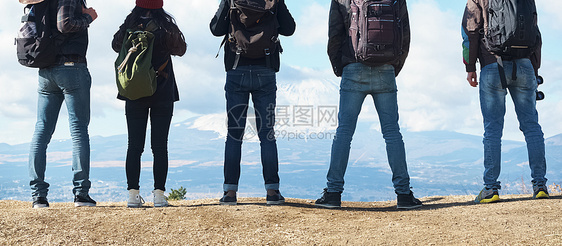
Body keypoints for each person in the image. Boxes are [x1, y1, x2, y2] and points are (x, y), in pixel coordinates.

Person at [315, 0, 422, 209]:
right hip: (386, 69)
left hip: (353, 66)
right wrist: (393, 67)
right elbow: (405, 35)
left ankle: (333, 194)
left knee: (344, 132)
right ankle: (404, 195)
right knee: (392, 133)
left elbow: (334, 34)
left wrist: (342, 67)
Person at [210, 0, 295, 205]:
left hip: (236, 69)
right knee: (267, 134)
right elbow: (290, 29)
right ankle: (272, 192)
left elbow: (215, 29)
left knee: (234, 134)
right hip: (265, 69)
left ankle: (230, 193)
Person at [462, 0, 548, 203]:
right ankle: (540, 185)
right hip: (525, 65)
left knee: (493, 129)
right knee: (531, 126)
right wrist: (534, 69)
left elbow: (470, 32)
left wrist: (470, 67)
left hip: (492, 66)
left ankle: (491, 189)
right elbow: (535, 33)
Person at [111, 0, 187, 208]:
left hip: (135, 92)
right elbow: (181, 50)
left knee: (134, 146)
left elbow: (115, 45)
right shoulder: (165, 26)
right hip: (162, 90)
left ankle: (132, 195)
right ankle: (159, 196)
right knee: (160, 146)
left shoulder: (129, 24)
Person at [28, 0, 98, 208]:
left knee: (41, 131)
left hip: (46, 69)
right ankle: (81, 194)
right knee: (78, 130)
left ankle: (38, 196)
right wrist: (89, 17)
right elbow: (64, 24)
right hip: (71, 67)